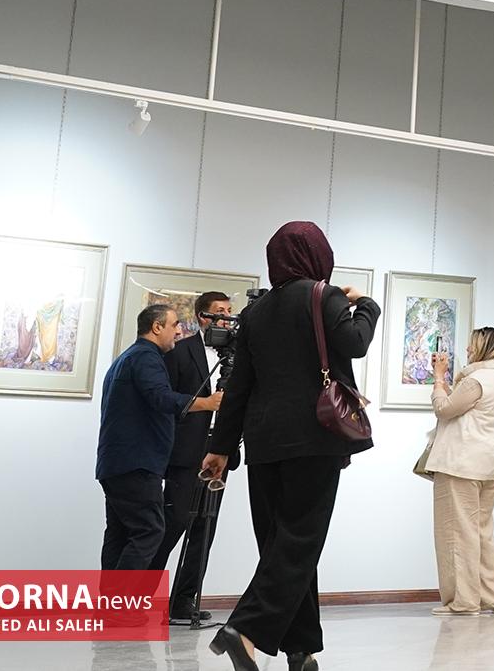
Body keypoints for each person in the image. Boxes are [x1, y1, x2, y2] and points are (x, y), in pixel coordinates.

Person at [204, 221, 379, 671]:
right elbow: (356, 343)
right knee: (299, 543)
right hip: (314, 437)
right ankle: (244, 629)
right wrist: (366, 305)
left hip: (264, 442)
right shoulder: (324, 296)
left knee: (282, 545)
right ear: (318, 255)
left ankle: (301, 650)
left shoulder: (257, 312)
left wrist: (221, 446)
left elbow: (239, 386)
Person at [99, 303, 213, 572]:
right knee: (149, 531)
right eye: (174, 325)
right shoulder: (146, 358)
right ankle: (124, 599)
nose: (179, 332)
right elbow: (161, 397)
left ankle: (111, 599)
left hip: (116, 463)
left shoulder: (127, 358)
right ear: (157, 327)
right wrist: (207, 403)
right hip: (137, 463)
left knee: (120, 533)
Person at [147, 291, 232, 625]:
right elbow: (166, 400)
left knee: (205, 527)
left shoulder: (239, 356)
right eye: (220, 312)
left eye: (230, 311)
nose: (227, 318)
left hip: (219, 449)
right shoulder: (180, 351)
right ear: (203, 317)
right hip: (185, 451)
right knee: (174, 521)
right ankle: (141, 597)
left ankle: (183, 600)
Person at [427, 326, 494, 616]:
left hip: (460, 465)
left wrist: (439, 378)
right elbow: (462, 408)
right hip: (488, 466)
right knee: (482, 532)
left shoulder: (476, 380)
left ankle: (464, 602)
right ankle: (492, 598)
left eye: (471, 345)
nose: (467, 350)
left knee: (457, 534)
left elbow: (443, 409)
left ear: (483, 348)